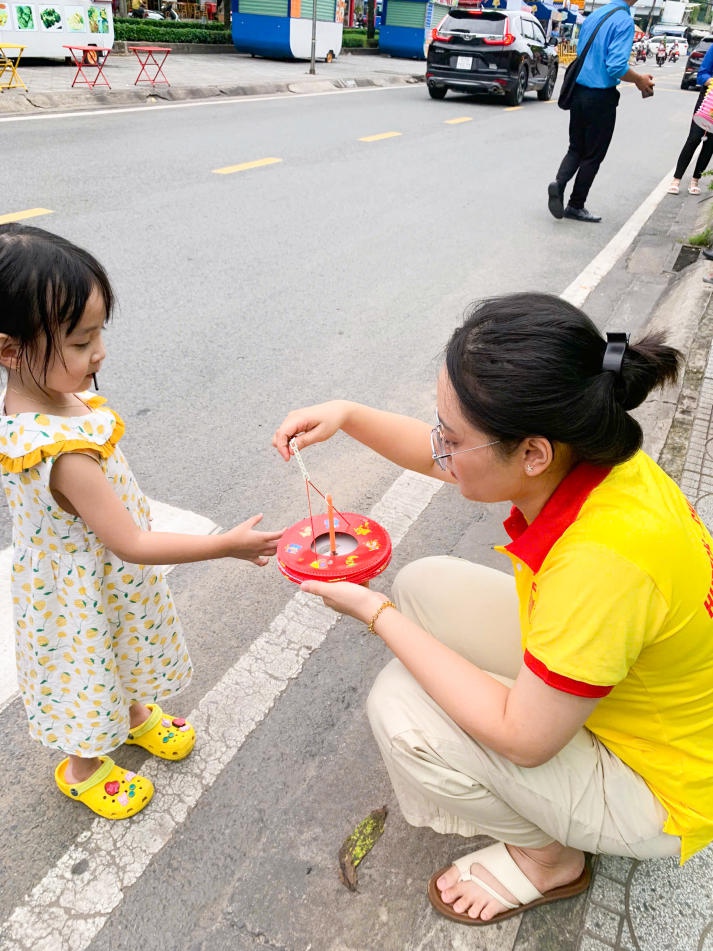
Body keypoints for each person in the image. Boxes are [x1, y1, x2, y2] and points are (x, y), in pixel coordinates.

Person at [273, 292, 713, 927]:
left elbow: (523, 741)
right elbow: (444, 457)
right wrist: (345, 415)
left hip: (665, 782)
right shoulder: (593, 449)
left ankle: (549, 861)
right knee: (424, 584)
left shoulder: (602, 562)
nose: (440, 451)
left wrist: (375, 613)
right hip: (635, 695)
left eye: (452, 438)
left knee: (401, 708)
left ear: (532, 453)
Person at [0, 224, 283, 821]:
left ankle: (130, 718)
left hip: (102, 580)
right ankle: (82, 768)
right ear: (9, 350)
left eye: (99, 332)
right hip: (80, 593)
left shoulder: (51, 397)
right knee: (87, 668)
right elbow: (129, 542)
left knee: (119, 650)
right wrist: (223, 545)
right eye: (80, 342)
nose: (97, 353)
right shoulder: (61, 454)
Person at [548, 0, 655, 224]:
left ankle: (559, 183)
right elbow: (615, 66)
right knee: (593, 155)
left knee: (576, 147)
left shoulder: (596, 15)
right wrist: (639, 79)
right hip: (600, 97)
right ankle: (576, 205)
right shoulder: (624, 21)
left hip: (579, 91)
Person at [667, 44, 713, 198]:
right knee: (694, 138)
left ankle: (695, 181)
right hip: (708, 99)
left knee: (710, 144)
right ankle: (676, 180)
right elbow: (702, 75)